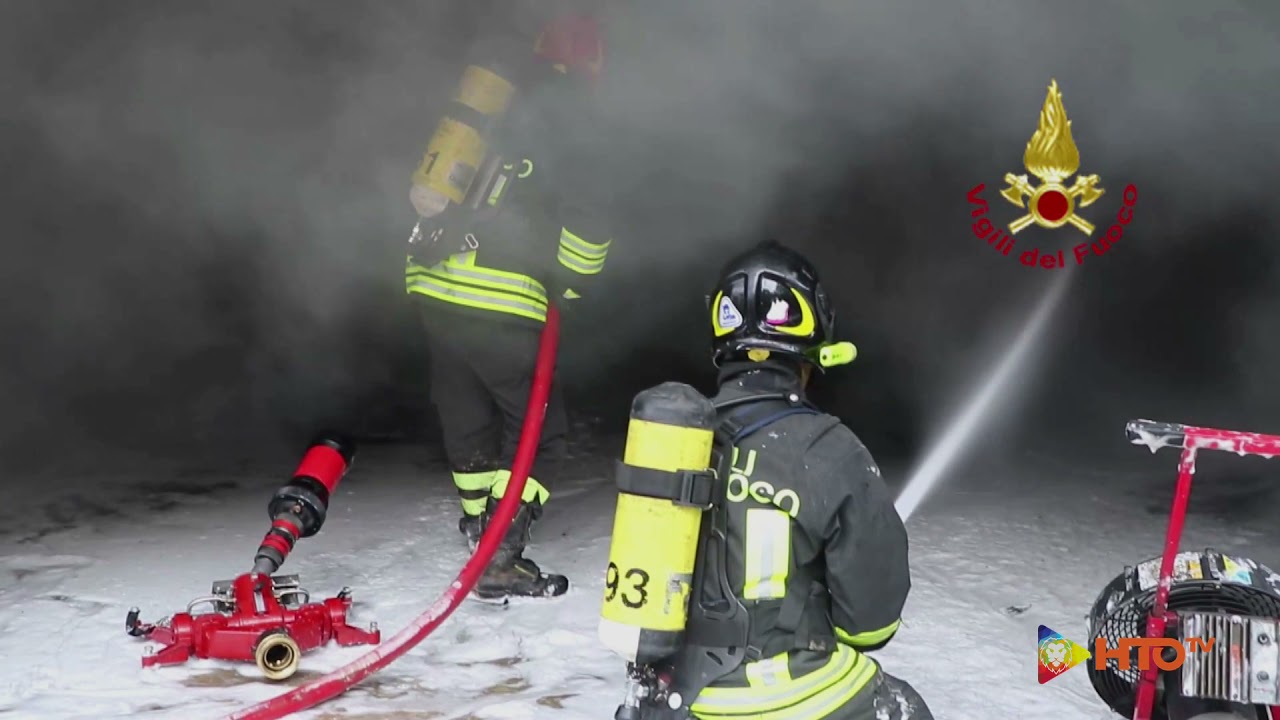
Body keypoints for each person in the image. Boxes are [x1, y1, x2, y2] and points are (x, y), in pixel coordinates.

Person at [669, 241, 933, 719]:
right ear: (813, 344)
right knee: (906, 708)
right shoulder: (829, 449)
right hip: (781, 690)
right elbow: (872, 627)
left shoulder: (673, 439)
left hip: (681, 697)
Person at [405, 11, 613, 600]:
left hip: (434, 284)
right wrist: (570, 286)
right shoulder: (575, 116)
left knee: (464, 408)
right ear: (589, 61)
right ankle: (499, 555)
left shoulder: (486, 103)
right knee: (539, 429)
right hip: (501, 294)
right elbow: (590, 216)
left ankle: (480, 523)